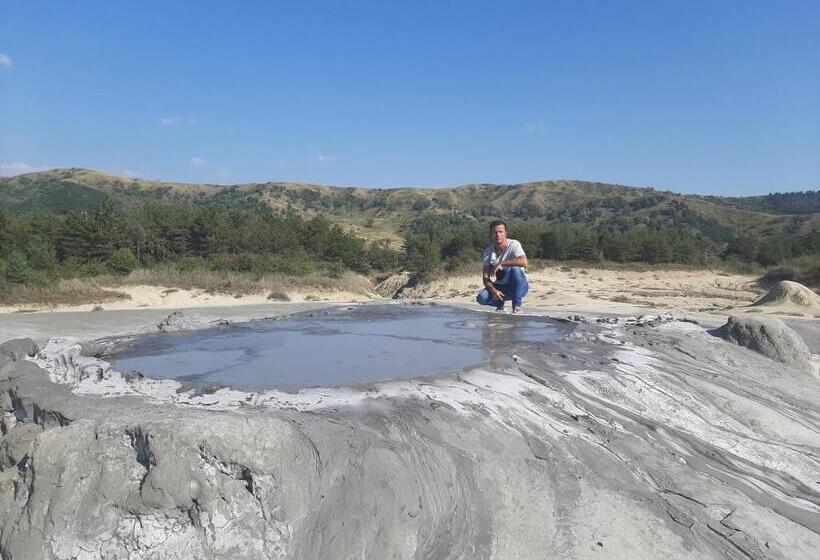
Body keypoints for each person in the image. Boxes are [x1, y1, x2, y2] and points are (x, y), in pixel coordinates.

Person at [476, 220, 529, 313]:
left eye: (500, 232)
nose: (498, 235)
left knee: (515, 270)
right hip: (501, 286)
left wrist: (501, 263)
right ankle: (500, 303)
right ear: (491, 234)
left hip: (519, 286)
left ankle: (516, 306)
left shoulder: (514, 244)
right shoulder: (488, 252)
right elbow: (485, 278)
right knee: (481, 298)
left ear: (506, 233)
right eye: (495, 232)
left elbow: (524, 262)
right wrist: (493, 290)